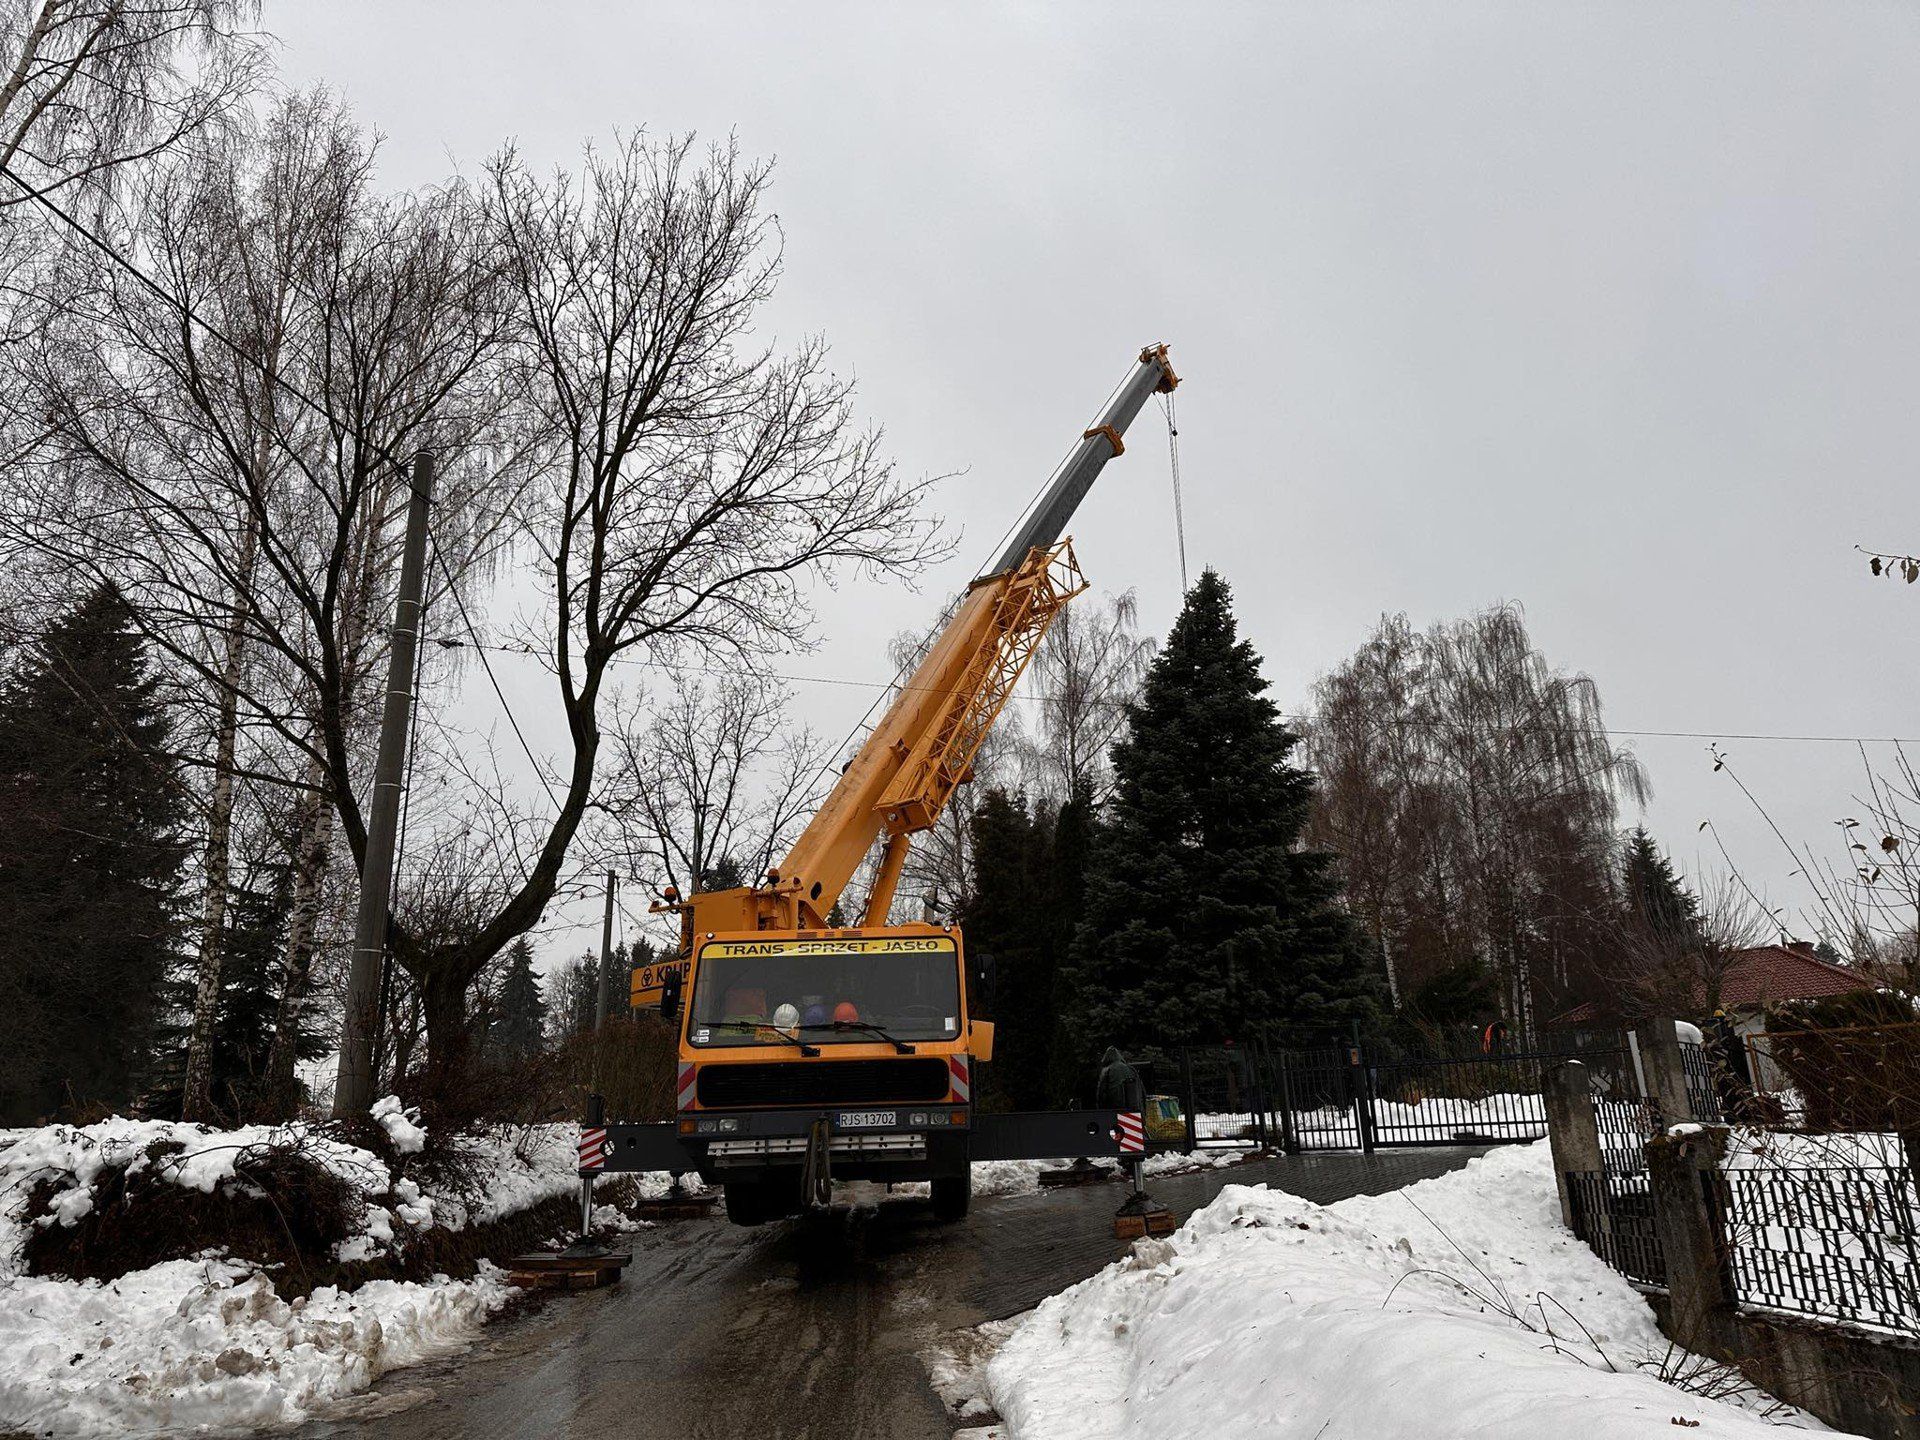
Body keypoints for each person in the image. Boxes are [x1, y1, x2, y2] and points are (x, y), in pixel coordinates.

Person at [1096, 1047, 1148, 1211]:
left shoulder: (1107, 1070)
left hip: (1116, 1109)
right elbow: (1143, 1091)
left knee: (1121, 1135)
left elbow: (1102, 1093)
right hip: (1133, 1107)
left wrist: (1102, 1112)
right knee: (1133, 1137)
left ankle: (1126, 1162)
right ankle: (1134, 1165)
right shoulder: (1130, 1068)